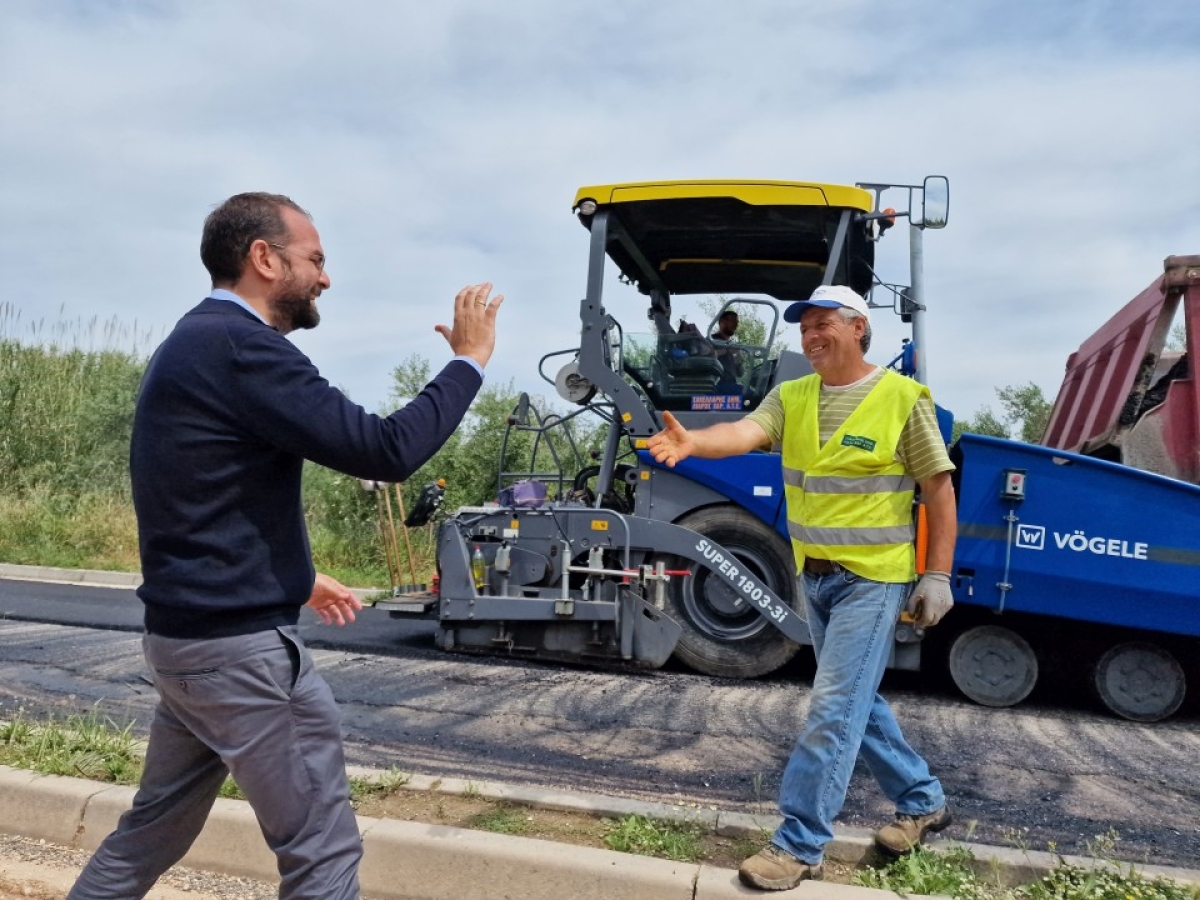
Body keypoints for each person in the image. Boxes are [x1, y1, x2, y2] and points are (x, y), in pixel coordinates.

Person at [67, 192, 502, 900]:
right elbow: (385, 449)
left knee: (151, 833)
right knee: (323, 855)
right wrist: (469, 363)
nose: (325, 277)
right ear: (264, 259)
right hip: (240, 658)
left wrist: (298, 576)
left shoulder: (195, 342)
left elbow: (201, 496)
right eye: (315, 259)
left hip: (184, 647)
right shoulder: (243, 347)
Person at [647, 284, 956, 892]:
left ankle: (800, 844)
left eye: (823, 325)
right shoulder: (794, 396)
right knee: (855, 704)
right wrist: (695, 442)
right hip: (813, 579)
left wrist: (937, 575)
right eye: (804, 327)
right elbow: (745, 432)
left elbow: (938, 489)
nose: (810, 336)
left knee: (832, 709)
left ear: (858, 327)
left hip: (873, 581)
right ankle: (923, 801)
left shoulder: (901, 398)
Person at [710, 309, 744, 388]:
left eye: (737, 323)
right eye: (733, 321)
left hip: (731, 384)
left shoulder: (733, 345)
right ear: (722, 322)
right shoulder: (711, 340)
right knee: (750, 396)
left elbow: (740, 374)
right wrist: (726, 350)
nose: (736, 325)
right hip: (716, 386)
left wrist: (738, 361)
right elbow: (705, 356)